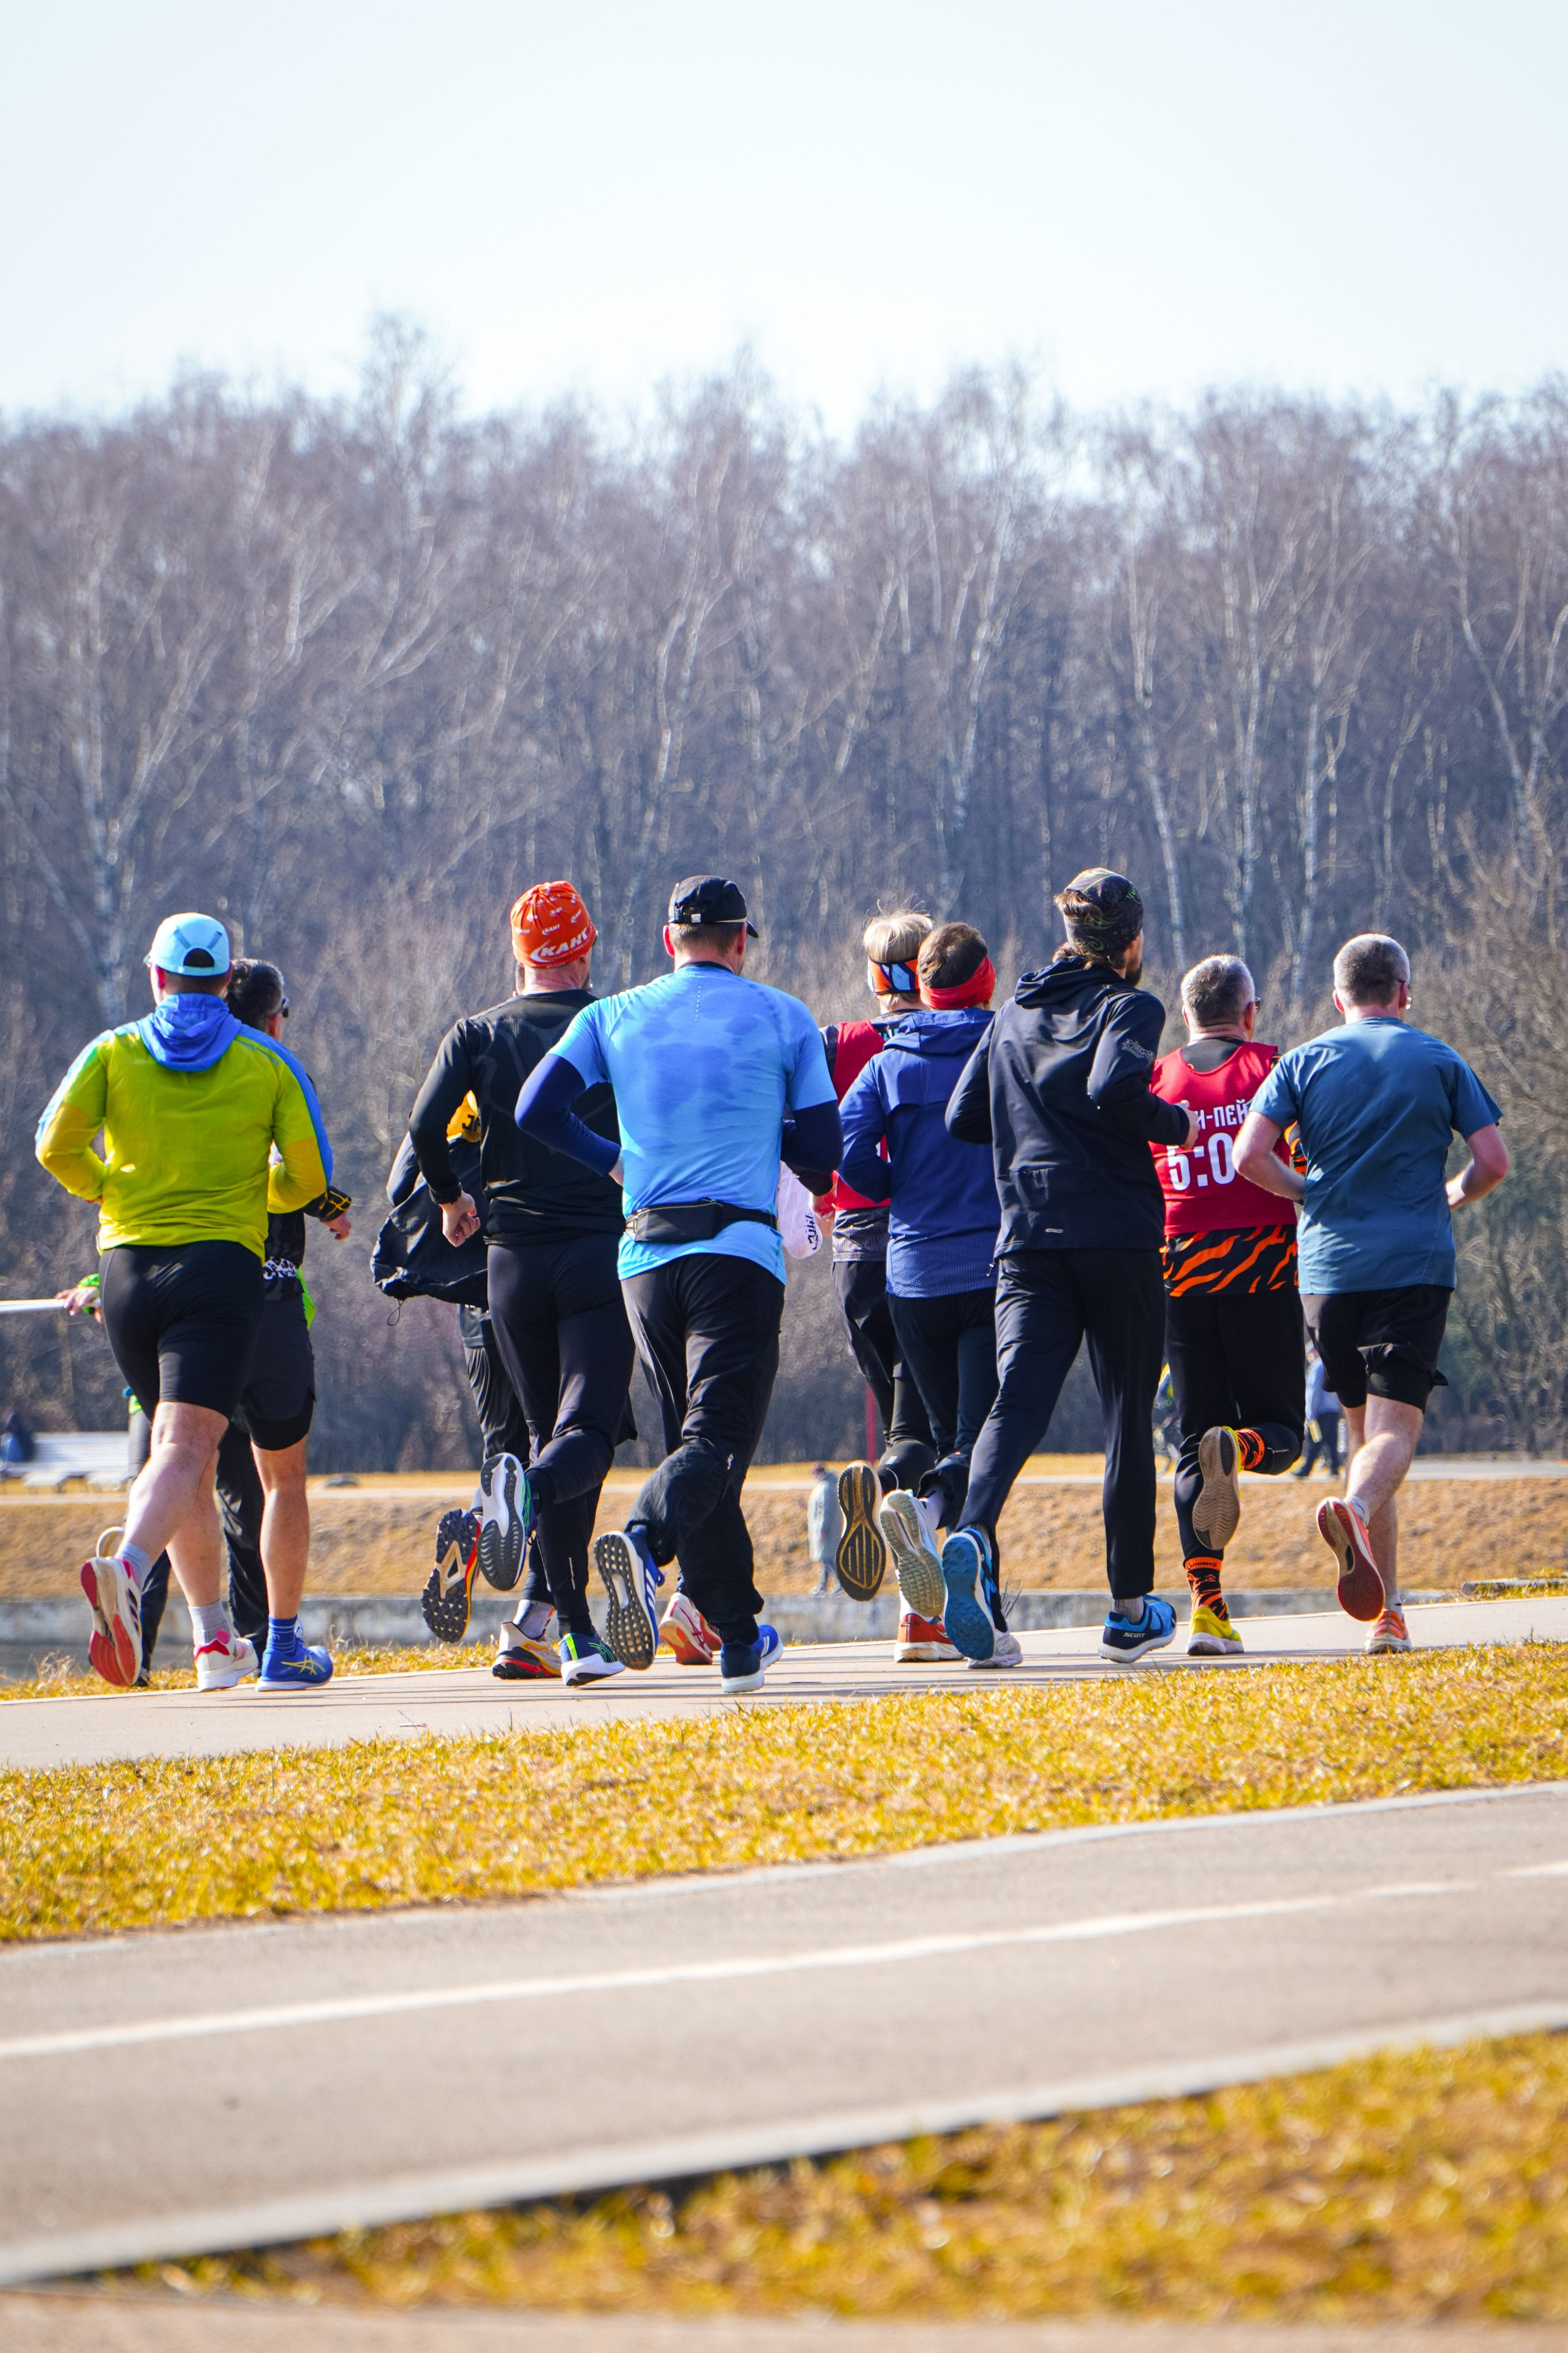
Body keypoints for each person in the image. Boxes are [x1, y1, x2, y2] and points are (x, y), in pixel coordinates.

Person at [515, 873, 842, 1694]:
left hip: (645, 1259)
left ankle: (737, 1639)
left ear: (668, 942)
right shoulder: (784, 1015)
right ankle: (643, 1540)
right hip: (735, 1250)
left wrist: (613, 1160)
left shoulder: (611, 1015)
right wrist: (773, 1123)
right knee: (717, 1443)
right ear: (741, 942)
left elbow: (533, 1109)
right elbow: (824, 1153)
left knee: (697, 1448)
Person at [35, 912, 334, 1691]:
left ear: (157, 978)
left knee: (184, 1456)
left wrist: (110, 1186)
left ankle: (211, 1644)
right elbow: (308, 1181)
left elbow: (52, 1144)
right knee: (186, 1448)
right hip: (216, 1273)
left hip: (127, 1272)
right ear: (225, 979)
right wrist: (247, 1189)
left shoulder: (113, 1050)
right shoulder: (266, 1061)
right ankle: (127, 1570)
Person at [943, 869, 1197, 1665]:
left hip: (1026, 1241)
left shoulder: (1014, 1011)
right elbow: (1116, 1084)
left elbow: (961, 1116)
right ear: (1130, 942)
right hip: (1116, 1238)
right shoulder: (1131, 1004)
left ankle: (975, 1533)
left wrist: (1034, 1132)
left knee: (1016, 1402)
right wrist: (1175, 1124)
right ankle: (1128, 1609)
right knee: (1126, 1416)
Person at [1235, 931, 1507, 1653]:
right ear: (1403, 992)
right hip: (1411, 1265)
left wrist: (1307, 1195)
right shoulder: (1437, 1058)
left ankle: (1386, 1616)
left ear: (1337, 998)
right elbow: (1492, 1161)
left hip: (1327, 1274)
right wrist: (1450, 1194)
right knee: (1394, 1434)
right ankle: (1353, 1511)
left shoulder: (1303, 1060)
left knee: (1362, 1433)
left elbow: (1247, 1155)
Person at [407, 880, 635, 1690]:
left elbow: (425, 1123)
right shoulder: (609, 1022)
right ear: (585, 947)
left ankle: (565, 1630)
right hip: (597, 1251)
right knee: (588, 1438)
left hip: (509, 1260)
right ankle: (532, 1522)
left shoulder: (476, 1032)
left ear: (518, 953)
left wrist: (449, 1198)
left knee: (548, 1433)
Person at [839, 923, 1002, 1664]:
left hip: (905, 1274)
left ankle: (923, 1593)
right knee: (980, 1441)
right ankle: (964, 1579)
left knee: (932, 1435)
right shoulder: (1001, 1044)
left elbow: (847, 1152)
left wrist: (889, 1185)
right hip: (991, 1269)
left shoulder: (881, 1061)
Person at [1148, 955, 1305, 1656]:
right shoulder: (1275, 1069)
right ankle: (1237, 1448)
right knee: (1282, 1438)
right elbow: (1301, 1162)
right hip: (1263, 1271)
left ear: (1185, 1016)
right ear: (1250, 1014)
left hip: (1178, 1278)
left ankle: (1207, 1611)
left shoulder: (1157, 1079)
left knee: (1189, 1444)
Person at [813, 910, 937, 1599]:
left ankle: (920, 1605)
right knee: (940, 1435)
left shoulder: (838, 1044)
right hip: (929, 1242)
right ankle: (940, 1596)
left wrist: (821, 1200)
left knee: (900, 1414)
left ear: (873, 976)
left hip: (856, 1249)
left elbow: (809, 1134)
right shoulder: (950, 1037)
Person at [1294, 1344, 1343, 1478]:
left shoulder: (1317, 1367)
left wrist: (1310, 1414)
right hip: (1333, 1411)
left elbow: (1313, 1393)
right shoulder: (1330, 1365)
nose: (1309, 1357)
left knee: (1314, 1439)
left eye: (1310, 1353)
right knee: (1332, 1440)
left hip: (1319, 1413)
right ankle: (1334, 1468)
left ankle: (1306, 1469)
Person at [806, 1463, 842, 1596]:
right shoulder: (823, 1487)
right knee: (825, 1559)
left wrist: (823, 1529)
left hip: (826, 1530)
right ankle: (823, 1586)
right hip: (823, 1529)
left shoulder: (826, 1488)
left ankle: (841, 1582)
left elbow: (826, 1510)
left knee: (827, 1558)